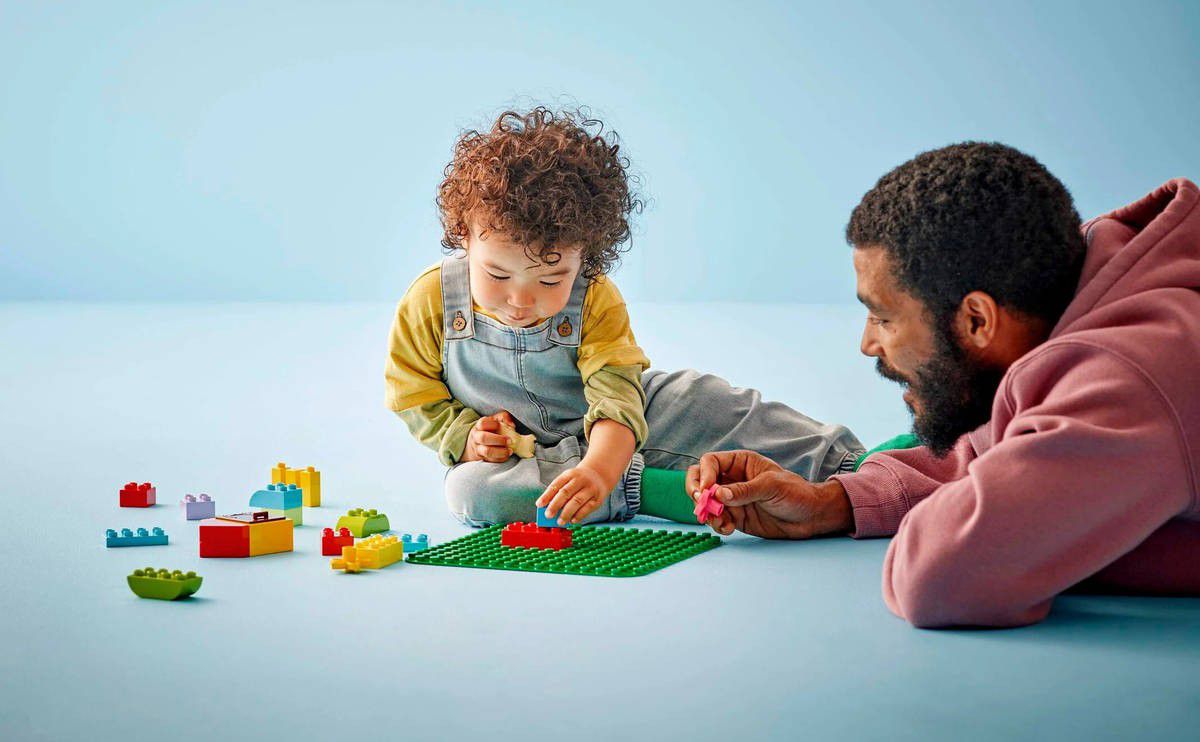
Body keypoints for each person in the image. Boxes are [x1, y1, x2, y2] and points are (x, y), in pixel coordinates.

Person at [689, 143, 1200, 628]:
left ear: (978, 320)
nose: (867, 345)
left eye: (883, 317)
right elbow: (1006, 448)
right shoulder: (1073, 286)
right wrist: (832, 503)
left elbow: (939, 577)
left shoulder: (1134, 380)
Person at [385, 106, 866, 529]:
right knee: (473, 492)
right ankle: (653, 489)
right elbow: (413, 393)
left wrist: (600, 467)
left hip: (617, 427)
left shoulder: (595, 298)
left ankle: (853, 464)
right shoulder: (431, 301)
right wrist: (462, 437)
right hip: (521, 461)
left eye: (551, 280)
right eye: (497, 274)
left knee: (701, 400)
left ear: (585, 256)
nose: (521, 300)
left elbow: (616, 394)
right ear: (464, 236)